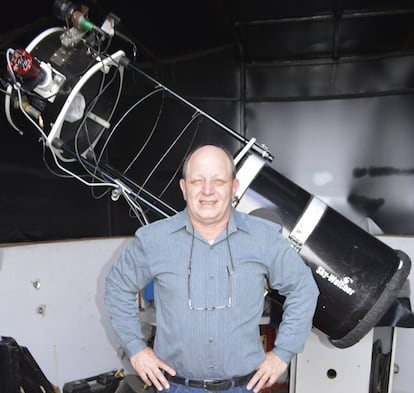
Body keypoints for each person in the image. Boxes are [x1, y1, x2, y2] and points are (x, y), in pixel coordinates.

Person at [105, 144, 319, 393]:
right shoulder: (153, 240)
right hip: (175, 387)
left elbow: (303, 289)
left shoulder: (264, 238)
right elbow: (117, 287)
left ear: (234, 187)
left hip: (242, 387)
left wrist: (283, 353)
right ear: (184, 188)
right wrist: (136, 348)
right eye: (197, 181)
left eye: (218, 181)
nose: (207, 191)